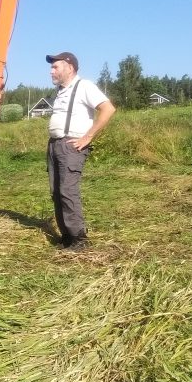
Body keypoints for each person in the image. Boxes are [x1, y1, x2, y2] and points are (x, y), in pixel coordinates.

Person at [45, 52, 116, 251]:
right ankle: (67, 236)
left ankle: (79, 238)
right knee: (56, 192)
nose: (51, 71)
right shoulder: (61, 90)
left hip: (71, 146)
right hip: (54, 145)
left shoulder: (84, 86)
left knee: (67, 191)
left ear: (70, 67)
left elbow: (108, 109)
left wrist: (88, 137)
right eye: (51, 67)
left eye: (55, 67)